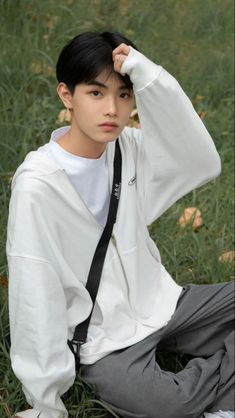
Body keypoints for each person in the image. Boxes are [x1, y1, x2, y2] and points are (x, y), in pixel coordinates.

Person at [6, 31, 234, 418]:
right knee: (168, 404)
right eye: (96, 94)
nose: (112, 109)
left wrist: (148, 74)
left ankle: (217, 392)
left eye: (124, 95)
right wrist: (46, 402)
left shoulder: (128, 147)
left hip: (163, 304)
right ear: (67, 96)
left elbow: (202, 161)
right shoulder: (38, 185)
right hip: (103, 340)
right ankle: (222, 395)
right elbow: (33, 293)